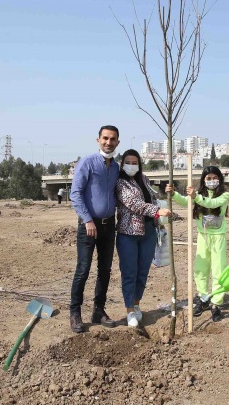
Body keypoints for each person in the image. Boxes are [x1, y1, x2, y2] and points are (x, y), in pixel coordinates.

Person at [69, 125, 120, 334]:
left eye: (113, 139)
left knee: (105, 270)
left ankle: (99, 310)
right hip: (88, 226)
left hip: (109, 226)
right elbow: (75, 193)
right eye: (105, 138)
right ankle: (75, 313)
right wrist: (88, 220)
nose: (109, 142)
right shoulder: (87, 163)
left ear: (118, 142)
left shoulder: (116, 167)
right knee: (83, 269)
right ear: (98, 139)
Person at [166, 166, 229, 322]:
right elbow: (185, 201)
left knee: (218, 270)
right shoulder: (199, 195)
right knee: (200, 269)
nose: (211, 181)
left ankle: (216, 303)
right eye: (208, 178)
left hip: (218, 237)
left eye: (215, 178)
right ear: (203, 180)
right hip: (203, 237)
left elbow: (212, 204)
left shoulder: (225, 195)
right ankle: (203, 299)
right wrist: (173, 194)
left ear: (220, 179)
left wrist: (196, 196)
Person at [115, 149, 172, 328]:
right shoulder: (120, 183)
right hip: (128, 234)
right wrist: (156, 211)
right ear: (122, 163)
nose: (131, 166)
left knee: (142, 272)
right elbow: (134, 204)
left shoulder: (144, 179)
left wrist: (163, 200)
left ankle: (137, 304)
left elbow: (152, 199)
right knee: (129, 273)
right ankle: (129, 309)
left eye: (135, 163)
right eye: (128, 162)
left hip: (148, 231)